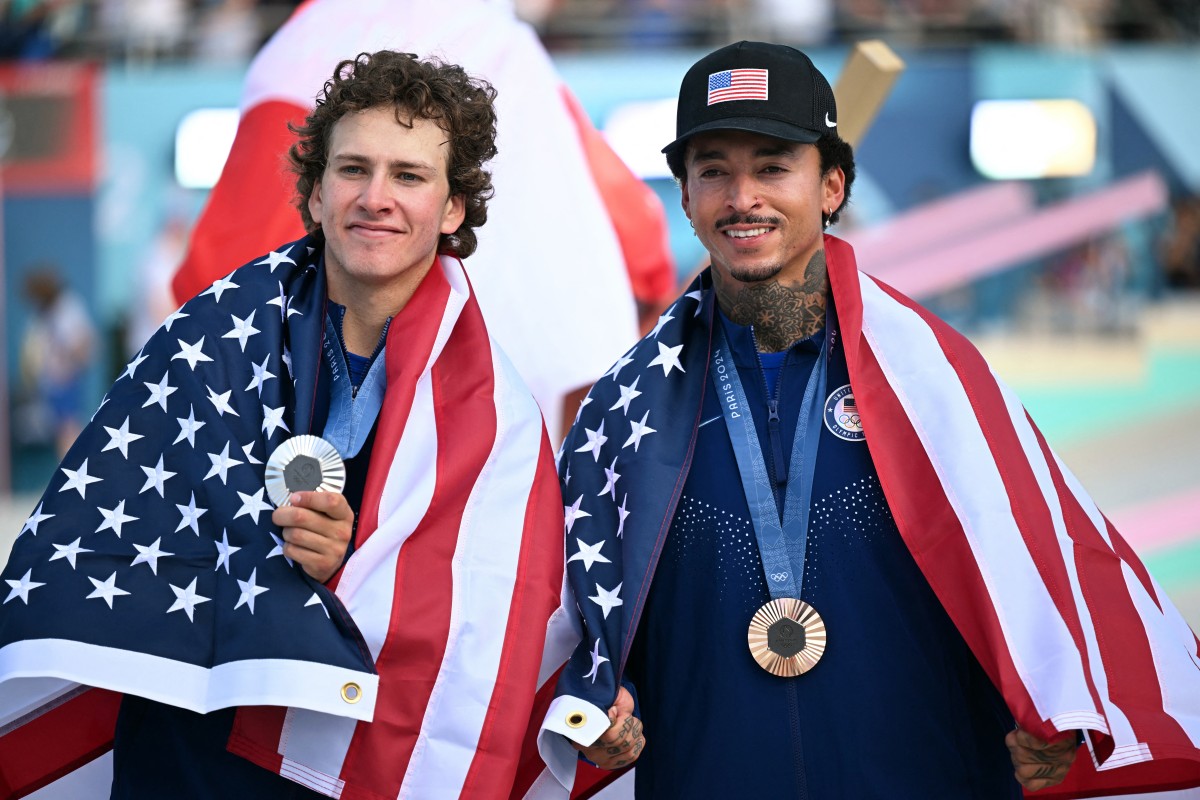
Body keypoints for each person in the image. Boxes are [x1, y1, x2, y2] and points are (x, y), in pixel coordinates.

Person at [536, 41, 1200, 798]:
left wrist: (1064, 717)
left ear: (832, 185)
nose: (741, 195)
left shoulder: (935, 381)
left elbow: (1046, 572)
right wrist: (602, 708)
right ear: (684, 196)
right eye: (713, 169)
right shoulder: (625, 412)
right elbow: (580, 621)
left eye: (774, 165)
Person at [0, 50, 564, 800]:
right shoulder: (209, 334)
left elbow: (493, 610)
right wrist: (260, 543)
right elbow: (122, 517)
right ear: (318, 191)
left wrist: (352, 562)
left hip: (336, 765)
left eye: (409, 175)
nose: (376, 197)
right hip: (189, 747)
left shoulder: (495, 416)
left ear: (453, 208)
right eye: (353, 169)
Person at [18, 264, 96, 458]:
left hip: (66, 378)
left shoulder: (68, 307)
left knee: (68, 427)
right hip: (51, 380)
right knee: (61, 428)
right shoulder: (43, 312)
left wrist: (68, 359)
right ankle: (66, 467)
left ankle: (71, 467)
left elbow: (83, 342)